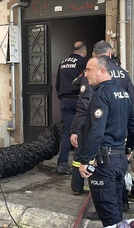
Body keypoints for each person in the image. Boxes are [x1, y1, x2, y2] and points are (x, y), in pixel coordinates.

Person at [70, 41, 134, 212]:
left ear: (95, 55)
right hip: (120, 136)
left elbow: (85, 105)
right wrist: (131, 144)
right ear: (110, 53)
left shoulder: (95, 75)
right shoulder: (123, 74)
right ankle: (122, 203)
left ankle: (99, 205)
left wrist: (75, 129)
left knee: (103, 182)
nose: (87, 73)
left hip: (101, 137)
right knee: (119, 174)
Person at [55, 41, 88, 175]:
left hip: (65, 101)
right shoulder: (83, 62)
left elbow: (57, 84)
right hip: (79, 100)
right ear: (84, 51)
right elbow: (86, 81)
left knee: (68, 133)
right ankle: (82, 163)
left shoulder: (62, 63)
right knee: (83, 131)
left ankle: (62, 163)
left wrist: (62, 97)